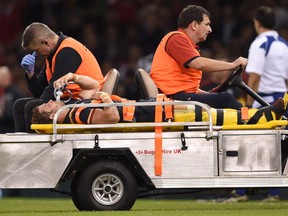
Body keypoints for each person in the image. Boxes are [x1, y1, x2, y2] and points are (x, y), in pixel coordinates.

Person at [31, 73, 286, 128]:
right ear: (52, 115)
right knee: (212, 115)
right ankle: (265, 116)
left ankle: (263, 114)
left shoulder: (74, 107)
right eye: (46, 105)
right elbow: (110, 115)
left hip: (155, 110)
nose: (49, 101)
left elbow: (93, 86)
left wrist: (73, 77)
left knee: (210, 111)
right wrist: (105, 97)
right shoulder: (74, 115)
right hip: (153, 114)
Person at [224, 6, 288, 203]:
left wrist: (250, 105)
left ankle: (242, 192)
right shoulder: (284, 45)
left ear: (256, 23)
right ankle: (274, 194)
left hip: (264, 101)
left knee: (248, 143)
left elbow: (254, 77)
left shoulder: (260, 44)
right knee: (278, 146)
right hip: (283, 100)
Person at [150, 5, 248, 109]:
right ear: (194, 25)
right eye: (207, 24)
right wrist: (232, 65)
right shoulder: (176, 39)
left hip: (178, 96)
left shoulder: (190, 46)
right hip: (172, 97)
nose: (210, 29)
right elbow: (198, 64)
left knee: (223, 98)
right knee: (227, 99)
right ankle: (249, 121)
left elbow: (189, 87)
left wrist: (208, 94)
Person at [13, 22, 105, 132]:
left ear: (46, 42)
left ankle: (36, 147)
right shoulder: (52, 54)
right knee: (19, 105)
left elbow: (48, 94)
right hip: (68, 98)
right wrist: (30, 73)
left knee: (31, 106)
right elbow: (39, 93)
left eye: (37, 50)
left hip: (85, 99)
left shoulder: (68, 51)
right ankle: (22, 145)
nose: (36, 54)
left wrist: (42, 105)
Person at [0, 66, 24, 133]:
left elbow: (20, 112)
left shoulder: (16, 92)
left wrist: (4, 114)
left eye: (6, 76)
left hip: (10, 129)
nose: (5, 78)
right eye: (2, 76)